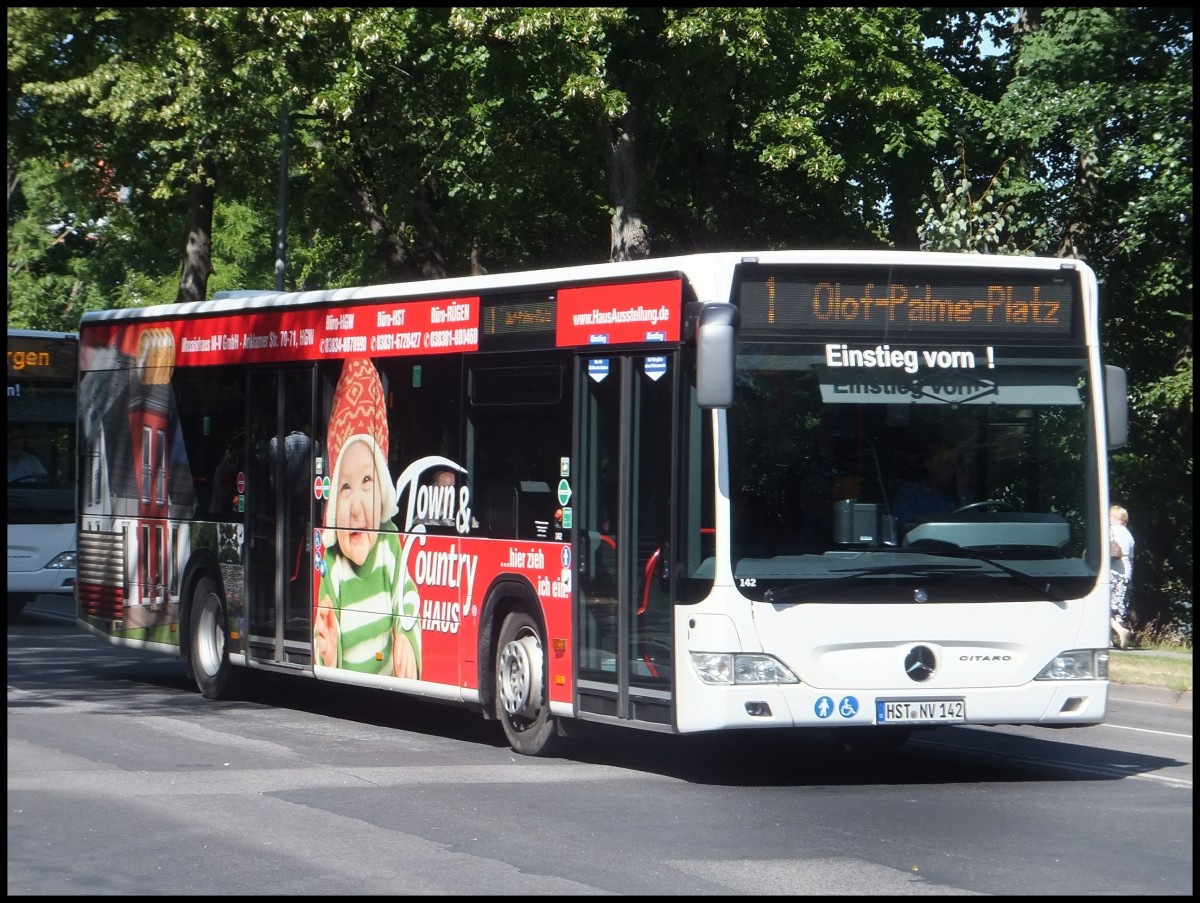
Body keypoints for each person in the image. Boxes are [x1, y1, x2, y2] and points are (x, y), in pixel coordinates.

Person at [314, 357, 422, 679]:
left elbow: (407, 596)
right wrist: (327, 648)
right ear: (333, 501)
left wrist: (406, 637)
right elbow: (324, 619)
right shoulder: (332, 562)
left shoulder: (389, 542)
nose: (358, 508)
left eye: (367, 482)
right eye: (345, 487)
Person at [892, 440, 967, 528]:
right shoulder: (909, 493)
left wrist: (962, 494)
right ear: (928, 464)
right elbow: (904, 529)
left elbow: (973, 527)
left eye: (953, 466)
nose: (949, 471)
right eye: (943, 464)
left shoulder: (960, 492)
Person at [1109, 504, 1135, 649]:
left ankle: (1120, 631)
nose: (1109, 519)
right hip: (1126, 575)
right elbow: (1131, 559)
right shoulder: (1129, 535)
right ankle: (1112, 639)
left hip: (1112, 572)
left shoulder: (1111, 531)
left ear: (1117, 518)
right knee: (1117, 611)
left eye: (1111, 516)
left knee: (1103, 607)